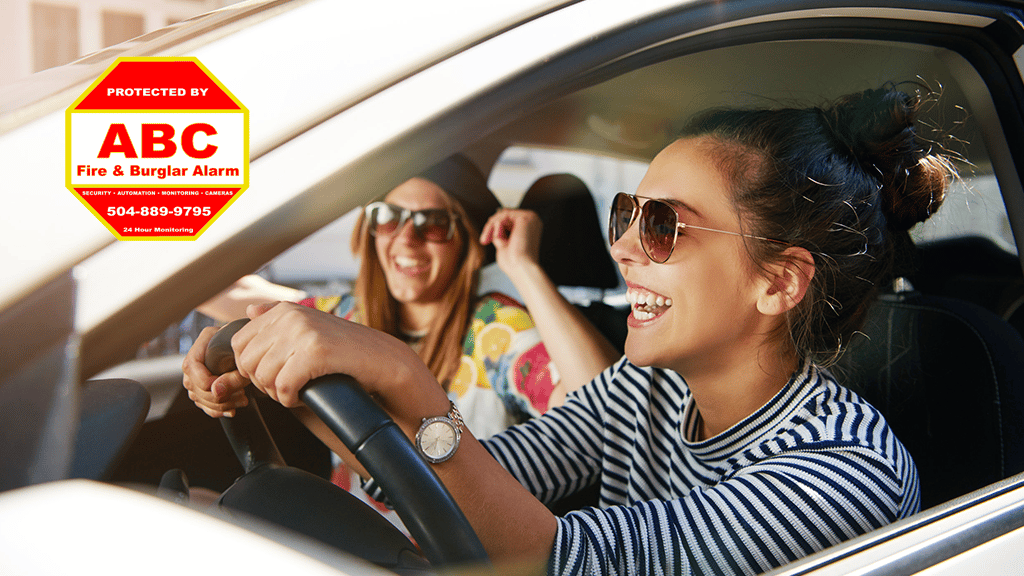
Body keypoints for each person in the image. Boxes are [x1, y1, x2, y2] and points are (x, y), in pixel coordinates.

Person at [184, 84, 952, 575]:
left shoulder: (845, 469)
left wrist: (407, 380)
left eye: (662, 226)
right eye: (626, 214)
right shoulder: (643, 388)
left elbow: (569, 564)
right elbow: (464, 478)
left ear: (777, 281)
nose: (621, 246)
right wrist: (292, 375)